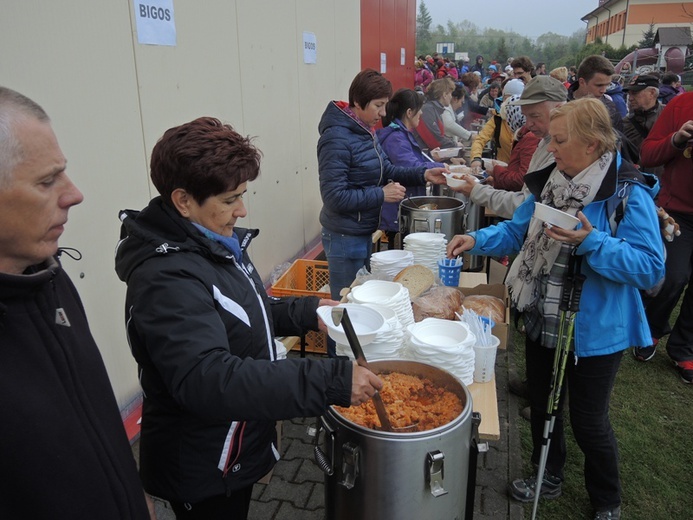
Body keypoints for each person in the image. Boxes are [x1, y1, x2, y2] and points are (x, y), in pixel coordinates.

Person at [115, 116, 384, 519]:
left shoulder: (209, 240)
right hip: (201, 462)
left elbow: (237, 311)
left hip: (231, 445)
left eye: (243, 194)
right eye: (229, 199)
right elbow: (209, 378)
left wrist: (306, 311)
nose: (243, 209)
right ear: (183, 200)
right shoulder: (165, 278)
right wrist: (331, 380)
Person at [447, 98, 664, 520]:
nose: (552, 146)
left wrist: (592, 242)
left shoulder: (626, 191)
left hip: (596, 331)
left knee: (588, 420)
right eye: (551, 137)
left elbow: (650, 267)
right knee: (545, 404)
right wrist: (476, 240)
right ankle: (548, 474)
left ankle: (607, 500)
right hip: (543, 315)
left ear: (593, 143)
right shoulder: (551, 179)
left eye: (560, 139)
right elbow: (518, 229)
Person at [0, 86, 152, 519]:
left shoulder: (47, 277)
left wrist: (131, 495)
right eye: (47, 181)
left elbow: (94, 408)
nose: (74, 194)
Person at [318, 69, 446, 300]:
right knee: (345, 308)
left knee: (361, 302)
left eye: (385, 105)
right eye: (378, 105)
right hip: (344, 237)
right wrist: (380, 194)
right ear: (358, 102)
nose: (383, 113)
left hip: (362, 231)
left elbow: (388, 169)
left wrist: (425, 174)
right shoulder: (336, 138)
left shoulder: (366, 131)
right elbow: (334, 196)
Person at [451, 76, 567, 219]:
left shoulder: (565, 148)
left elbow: (528, 205)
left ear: (559, 109)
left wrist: (479, 191)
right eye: (526, 117)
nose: (528, 124)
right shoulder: (542, 140)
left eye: (535, 116)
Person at [637, 92, 693, 383]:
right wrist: (677, 139)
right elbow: (648, 154)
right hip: (679, 212)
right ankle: (651, 329)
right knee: (672, 276)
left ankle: (684, 348)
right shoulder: (682, 104)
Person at [377, 88, 446, 243]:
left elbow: (415, 160)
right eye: (419, 110)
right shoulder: (396, 138)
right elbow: (411, 166)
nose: (421, 114)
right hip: (396, 211)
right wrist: (444, 167)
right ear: (409, 112)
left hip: (402, 206)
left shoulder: (402, 134)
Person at [469, 78, 525, 168]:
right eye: (507, 100)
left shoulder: (531, 123)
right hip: (501, 169)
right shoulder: (498, 119)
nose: (510, 105)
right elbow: (480, 139)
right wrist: (476, 158)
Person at [622, 74, 664, 170]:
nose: (630, 98)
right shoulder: (625, 122)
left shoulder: (669, 116)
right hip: (635, 180)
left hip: (663, 180)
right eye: (629, 94)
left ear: (652, 93)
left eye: (635, 93)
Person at [414, 77, 459, 150]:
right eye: (450, 94)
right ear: (444, 95)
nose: (451, 97)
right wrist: (455, 144)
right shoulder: (428, 110)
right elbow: (435, 140)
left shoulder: (434, 110)